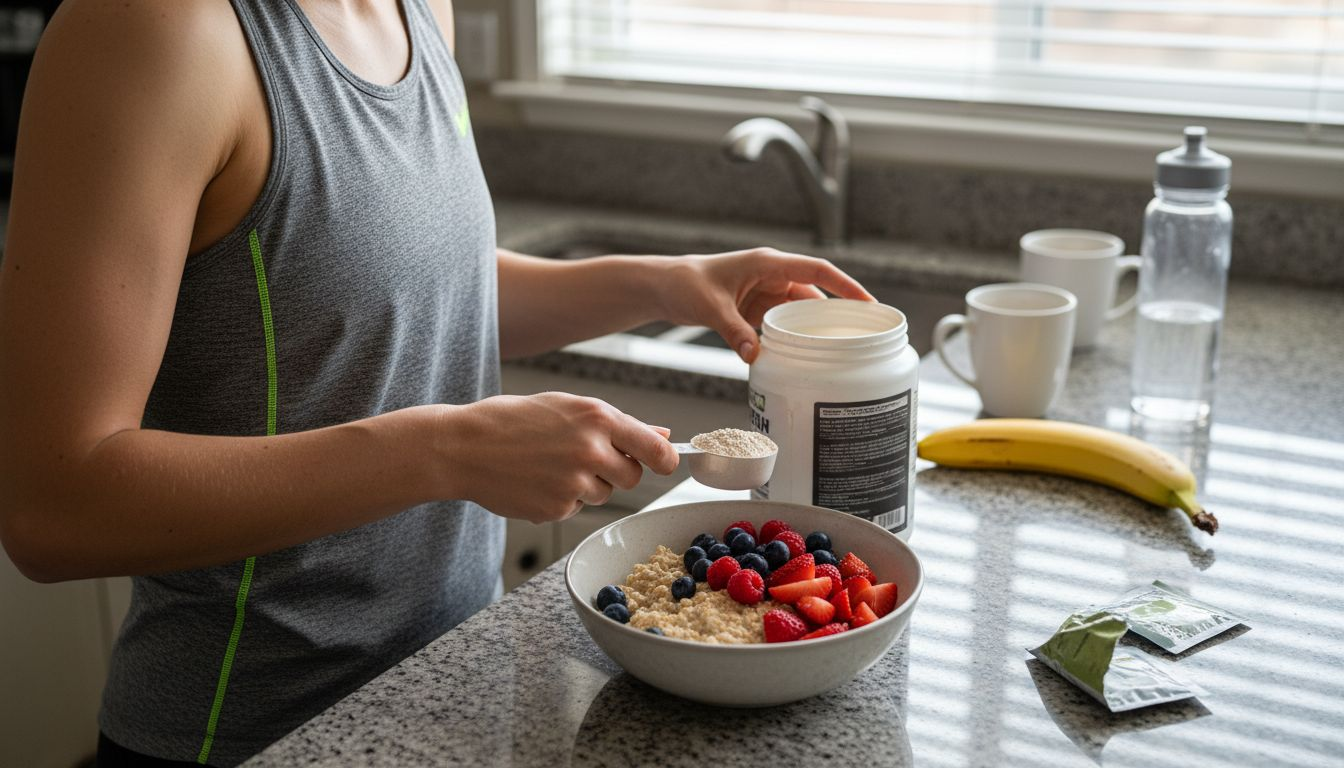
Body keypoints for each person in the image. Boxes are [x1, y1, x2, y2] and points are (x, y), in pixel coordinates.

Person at [0, 0, 872, 764]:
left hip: (446, 693)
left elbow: (408, 292)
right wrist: (447, 449)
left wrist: (660, 283)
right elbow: (52, 505)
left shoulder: (416, 8)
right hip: (256, 731)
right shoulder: (148, 32)